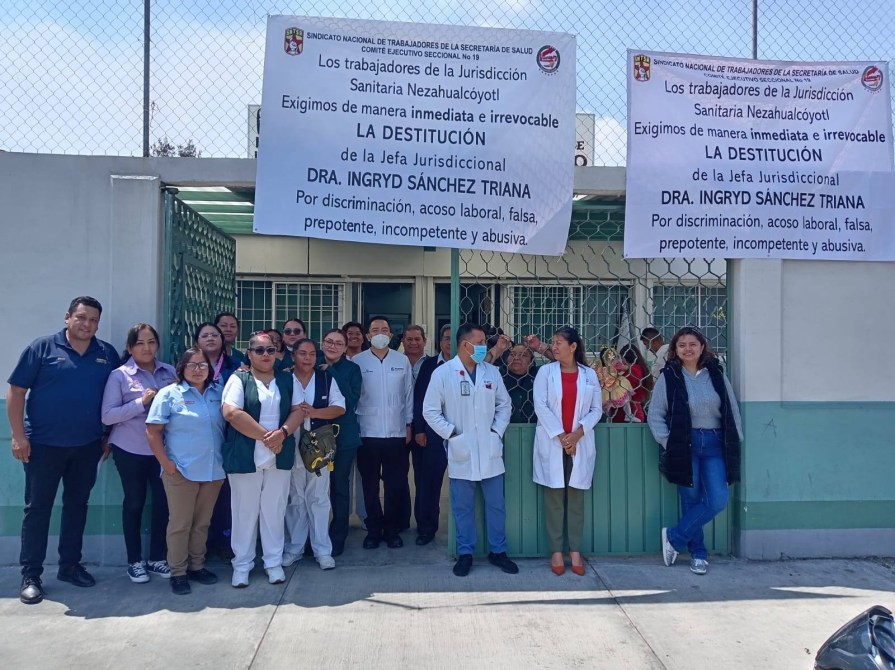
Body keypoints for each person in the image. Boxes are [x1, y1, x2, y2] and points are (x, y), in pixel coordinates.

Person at [8, 296, 121, 604]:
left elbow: (118, 395)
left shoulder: (106, 353)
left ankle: (70, 565)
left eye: (93, 320)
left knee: (77, 506)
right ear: (67, 317)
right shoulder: (41, 348)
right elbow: (17, 392)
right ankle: (31, 574)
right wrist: (18, 437)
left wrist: (108, 435)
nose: (87, 325)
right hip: (42, 446)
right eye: (81, 318)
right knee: (37, 509)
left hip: (87, 445)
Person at [423, 323, 518, 577]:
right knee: (462, 507)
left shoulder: (491, 373)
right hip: (461, 451)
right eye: (480, 342)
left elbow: (504, 406)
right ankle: (465, 553)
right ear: (465, 344)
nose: (484, 346)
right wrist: (453, 435)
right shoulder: (443, 374)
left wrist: (496, 433)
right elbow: (430, 411)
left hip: (489, 451)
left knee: (496, 505)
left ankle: (498, 551)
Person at [647, 326, 743, 576]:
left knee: (718, 499)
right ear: (675, 350)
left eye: (693, 344)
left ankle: (675, 537)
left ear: (702, 347)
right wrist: (668, 442)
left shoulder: (716, 374)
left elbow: (731, 409)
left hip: (714, 444)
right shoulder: (669, 376)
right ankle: (699, 555)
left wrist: (736, 439)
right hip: (685, 444)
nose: (687, 349)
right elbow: (655, 414)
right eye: (682, 345)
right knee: (690, 500)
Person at [221, 332, 302, 588]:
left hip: (279, 453)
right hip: (247, 455)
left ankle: (273, 563)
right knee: (244, 512)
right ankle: (242, 565)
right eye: (259, 350)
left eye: (270, 350)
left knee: (274, 511)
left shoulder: (287, 379)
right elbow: (231, 412)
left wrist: (283, 434)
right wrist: (268, 437)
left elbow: (299, 409)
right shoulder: (239, 379)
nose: (265, 355)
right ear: (249, 353)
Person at [146, 347, 226, 596]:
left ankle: (197, 566)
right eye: (192, 364)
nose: (198, 369)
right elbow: (153, 431)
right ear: (181, 368)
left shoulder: (218, 393)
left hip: (213, 469)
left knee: (202, 523)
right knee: (180, 524)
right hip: (181, 470)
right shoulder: (170, 394)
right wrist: (166, 463)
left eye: (203, 365)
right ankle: (178, 571)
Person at [101, 323, 176, 583]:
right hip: (130, 447)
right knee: (134, 502)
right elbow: (108, 415)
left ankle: (158, 558)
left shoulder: (169, 372)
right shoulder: (119, 376)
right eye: (140, 343)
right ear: (130, 347)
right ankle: (134, 561)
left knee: (164, 503)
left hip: (162, 450)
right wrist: (141, 402)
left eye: (151, 342)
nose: (147, 348)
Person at [532, 327, 602, 576]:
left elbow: (597, 409)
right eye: (553, 342)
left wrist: (577, 434)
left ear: (573, 347)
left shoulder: (589, 374)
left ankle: (575, 550)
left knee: (576, 499)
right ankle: (556, 551)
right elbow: (540, 405)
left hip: (579, 442)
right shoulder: (545, 372)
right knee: (553, 499)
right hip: (554, 441)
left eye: (559, 342)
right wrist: (562, 437)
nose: (554, 346)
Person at [283, 339, 345, 570]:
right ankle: (295, 548)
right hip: (290, 442)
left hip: (318, 444)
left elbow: (340, 407)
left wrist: (315, 411)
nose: (307, 358)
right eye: (302, 353)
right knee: (295, 497)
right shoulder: (284, 378)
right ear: (293, 356)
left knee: (319, 498)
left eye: (311, 353)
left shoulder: (326, 378)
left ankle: (322, 550)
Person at [353, 316, 413, 549]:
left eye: (384, 329)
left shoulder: (402, 360)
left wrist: (409, 424)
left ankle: (391, 529)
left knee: (395, 484)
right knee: (369, 485)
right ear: (368, 336)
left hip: (397, 433)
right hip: (366, 432)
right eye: (375, 329)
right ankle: (373, 529)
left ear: (390, 335)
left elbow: (408, 394)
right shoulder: (358, 361)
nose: (380, 333)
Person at [195, 321, 239, 559]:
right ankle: (200, 546)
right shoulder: (189, 365)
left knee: (224, 495)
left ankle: (224, 540)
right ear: (196, 341)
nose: (210, 338)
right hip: (198, 440)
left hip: (227, 436)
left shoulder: (235, 366)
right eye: (205, 335)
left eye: (215, 335)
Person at [318, 328, 363, 557]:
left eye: (338, 343)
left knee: (339, 488)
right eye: (328, 341)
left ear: (346, 348)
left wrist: (332, 373)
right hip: (315, 437)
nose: (332, 346)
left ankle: (338, 537)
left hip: (343, 437)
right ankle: (314, 536)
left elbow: (352, 399)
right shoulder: (312, 362)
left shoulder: (352, 369)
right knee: (314, 489)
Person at [410, 324, 451, 546]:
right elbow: (419, 399)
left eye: (453, 338)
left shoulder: (471, 365)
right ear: (439, 341)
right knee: (427, 484)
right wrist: (419, 430)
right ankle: (426, 528)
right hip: (431, 434)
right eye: (445, 338)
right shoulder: (429, 365)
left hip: (460, 434)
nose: (449, 343)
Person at [610, 345, 652, 423]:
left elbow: (622, 390)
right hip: (631, 414)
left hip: (630, 415)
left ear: (624, 358)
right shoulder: (639, 369)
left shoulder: (633, 371)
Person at [503, 344, 538, 424]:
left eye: (523, 355)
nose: (516, 358)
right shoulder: (498, 374)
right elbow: (479, 366)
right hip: (503, 430)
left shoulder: (539, 375)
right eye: (512, 354)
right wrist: (497, 349)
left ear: (532, 362)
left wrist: (539, 347)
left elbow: (564, 363)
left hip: (533, 429)